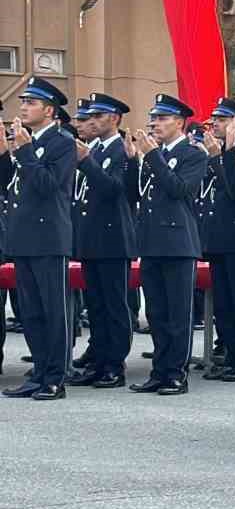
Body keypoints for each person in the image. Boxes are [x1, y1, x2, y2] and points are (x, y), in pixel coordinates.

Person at [0, 77, 76, 400]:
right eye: (23, 102)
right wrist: (8, 153)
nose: (24, 107)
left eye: (31, 103)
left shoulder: (62, 142)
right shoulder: (23, 142)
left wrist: (25, 150)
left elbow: (48, 185)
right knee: (30, 312)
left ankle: (55, 377)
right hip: (24, 238)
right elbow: (10, 186)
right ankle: (39, 373)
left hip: (49, 238)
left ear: (49, 110)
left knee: (52, 310)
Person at [125, 94, 206, 396]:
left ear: (180, 122)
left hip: (177, 243)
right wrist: (136, 161)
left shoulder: (192, 153)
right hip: (151, 242)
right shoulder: (151, 154)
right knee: (157, 314)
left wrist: (153, 157)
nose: (154, 123)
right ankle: (159, 371)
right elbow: (138, 194)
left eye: (162, 118)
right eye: (153, 118)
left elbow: (180, 189)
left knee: (177, 314)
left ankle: (176, 373)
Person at [65, 92, 135, 389]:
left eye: (98, 116)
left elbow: (115, 189)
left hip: (113, 240)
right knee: (95, 305)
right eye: (89, 116)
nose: (91, 121)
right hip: (91, 238)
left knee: (114, 305)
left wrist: (87, 162)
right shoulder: (91, 148)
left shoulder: (121, 149)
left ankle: (114, 365)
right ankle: (98, 360)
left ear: (115, 119)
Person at [199, 98, 235, 382]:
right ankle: (229, 353)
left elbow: (234, 190)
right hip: (218, 236)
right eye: (214, 119)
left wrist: (216, 157)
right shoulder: (218, 149)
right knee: (223, 301)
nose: (214, 125)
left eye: (221, 120)